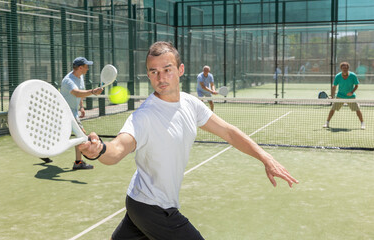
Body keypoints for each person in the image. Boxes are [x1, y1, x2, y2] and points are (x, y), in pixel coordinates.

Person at [79, 42, 299, 240]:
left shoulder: (190, 104)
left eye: (167, 70)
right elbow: (118, 149)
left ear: (180, 70)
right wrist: (99, 150)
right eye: (154, 72)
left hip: (138, 202)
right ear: (148, 75)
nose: (161, 77)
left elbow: (229, 132)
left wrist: (264, 156)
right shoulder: (144, 116)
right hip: (154, 208)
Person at [41, 57, 103, 169]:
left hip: (72, 111)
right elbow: (77, 93)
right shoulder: (68, 80)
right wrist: (93, 91)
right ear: (80, 67)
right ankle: (78, 163)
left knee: (56, 135)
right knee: (81, 134)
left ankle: (42, 152)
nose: (88, 69)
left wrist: (81, 107)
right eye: (86, 66)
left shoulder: (81, 77)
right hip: (62, 111)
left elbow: (81, 93)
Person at [323, 62, 365, 129]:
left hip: (351, 97)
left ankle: (362, 124)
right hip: (340, 96)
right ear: (341, 69)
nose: (344, 69)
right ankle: (327, 123)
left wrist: (352, 92)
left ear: (348, 68)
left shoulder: (353, 75)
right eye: (343, 68)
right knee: (332, 109)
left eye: (346, 68)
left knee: (357, 110)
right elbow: (334, 86)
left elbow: (356, 86)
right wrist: (332, 95)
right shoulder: (338, 76)